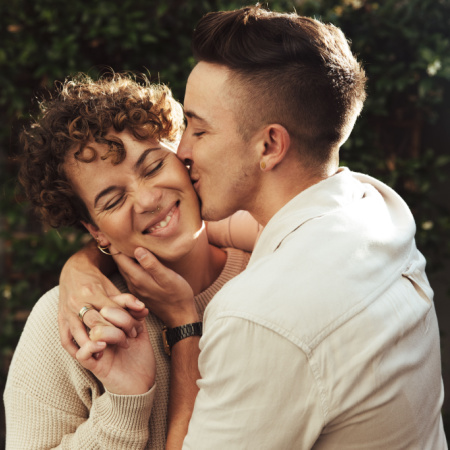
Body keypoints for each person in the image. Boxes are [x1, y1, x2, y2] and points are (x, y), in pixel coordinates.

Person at [57, 5, 447, 449]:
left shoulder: (260, 317)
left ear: (269, 145)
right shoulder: (372, 206)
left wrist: (185, 328)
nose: (180, 151)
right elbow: (227, 229)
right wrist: (85, 263)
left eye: (198, 131)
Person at [3, 73, 257, 449]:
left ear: (183, 159)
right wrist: (123, 407)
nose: (147, 200)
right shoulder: (67, 325)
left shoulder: (271, 269)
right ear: (96, 231)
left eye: (154, 167)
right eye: (112, 200)